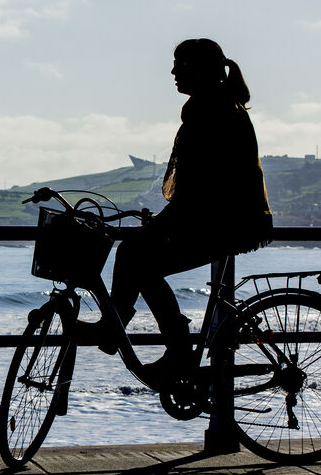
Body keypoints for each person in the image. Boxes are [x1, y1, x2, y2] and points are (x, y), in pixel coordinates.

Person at [79, 38, 273, 387]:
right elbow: (199, 189)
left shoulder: (211, 111)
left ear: (200, 70)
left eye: (179, 64)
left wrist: (165, 222)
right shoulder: (214, 106)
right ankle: (122, 329)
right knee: (136, 254)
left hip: (227, 222)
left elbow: (202, 188)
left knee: (138, 258)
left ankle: (173, 347)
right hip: (228, 219)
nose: (172, 72)